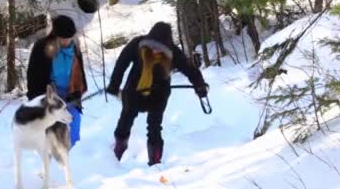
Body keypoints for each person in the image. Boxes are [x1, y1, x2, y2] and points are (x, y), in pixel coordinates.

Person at [106, 22, 208, 166]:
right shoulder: (170, 50)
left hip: (144, 93)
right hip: (147, 94)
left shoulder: (139, 43)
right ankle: (142, 159)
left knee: (134, 122)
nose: (154, 51)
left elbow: (122, 63)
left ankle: (129, 158)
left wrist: (114, 86)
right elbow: (188, 68)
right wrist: (200, 85)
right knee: (143, 125)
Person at [26, 15, 87, 147]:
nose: (66, 41)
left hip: (70, 93)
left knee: (74, 120)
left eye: (68, 38)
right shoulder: (42, 47)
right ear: (55, 34)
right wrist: (37, 99)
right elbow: (33, 75)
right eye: (62, 38)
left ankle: (75, 151)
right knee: (52, 128)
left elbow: (79, 72)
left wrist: (77, 92)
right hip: (50, 94)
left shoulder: (75, 47)